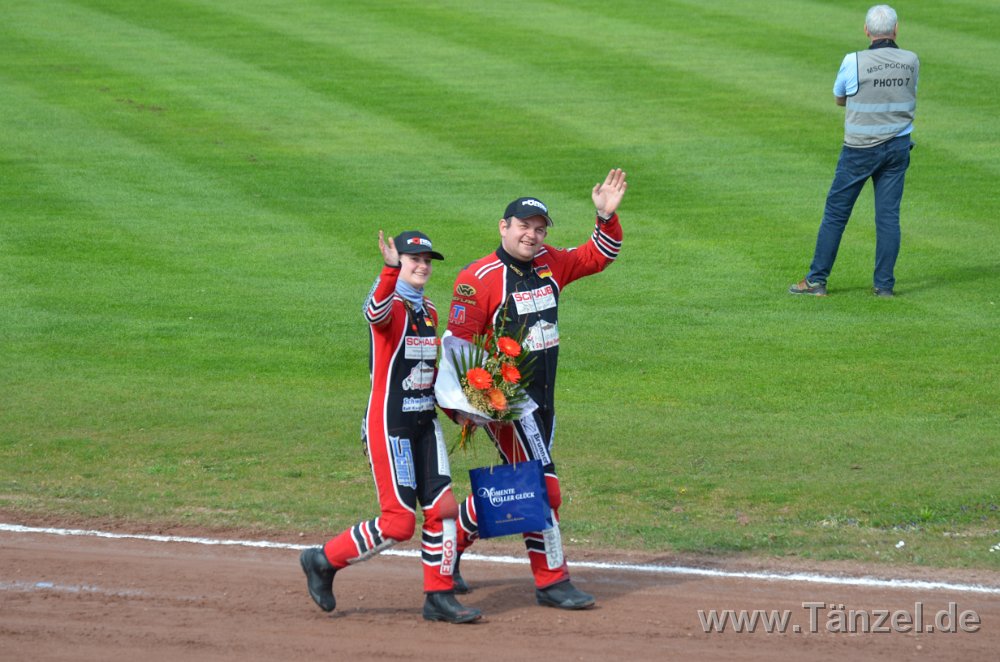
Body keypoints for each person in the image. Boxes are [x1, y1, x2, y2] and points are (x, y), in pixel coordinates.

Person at [441, 168, 627, 609]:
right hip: (507, 406)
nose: (532, 235)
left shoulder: (550, 263)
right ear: (503, 227)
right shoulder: (478, 278)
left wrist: (605, 217)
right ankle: (552, 580)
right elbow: (456, 349)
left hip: (545, 400)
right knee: (544, 488)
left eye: (540, 229)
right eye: (524, 226)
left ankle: (449, 547)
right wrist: (472, 408)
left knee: (518, 482)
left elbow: (598, 256)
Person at [300, 230, 481, 624]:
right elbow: (374, 313)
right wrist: (387, 269)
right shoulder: (391, 304)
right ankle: (322, 560)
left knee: (443, 509)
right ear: (400, 262)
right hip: (390, 423)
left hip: (425, 423)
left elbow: (429, 374)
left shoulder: (429, 310)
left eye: (427, 261)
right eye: (414, 259)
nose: (422, 266)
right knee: (399, 523)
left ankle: (439, 596)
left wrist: (458, 411)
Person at [790, 5, 918, 298]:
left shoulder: (854, 61)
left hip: (860, 148)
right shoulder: (911, 60)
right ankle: (884, 286)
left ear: (866, 30)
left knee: (836, 213)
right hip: (898, 147)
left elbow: (840, 98)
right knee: (888, 217)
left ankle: (816, 280)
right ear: (896, 29)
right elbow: (907, 93)